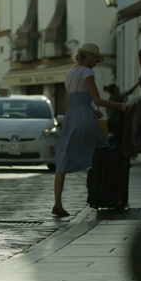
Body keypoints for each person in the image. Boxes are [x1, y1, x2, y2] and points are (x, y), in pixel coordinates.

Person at [52, 43, 128, 217]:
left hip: (71, 118)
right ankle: (106, 195)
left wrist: (88, 108)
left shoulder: (70, 73)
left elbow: (68, 103)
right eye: (95, 59)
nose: (96, 63)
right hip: (85, 119)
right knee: (104, 152)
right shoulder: (87, 73)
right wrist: (120, 105)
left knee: (63, 161)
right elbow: (98, 99)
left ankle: (57, 203)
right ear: (88, 57)